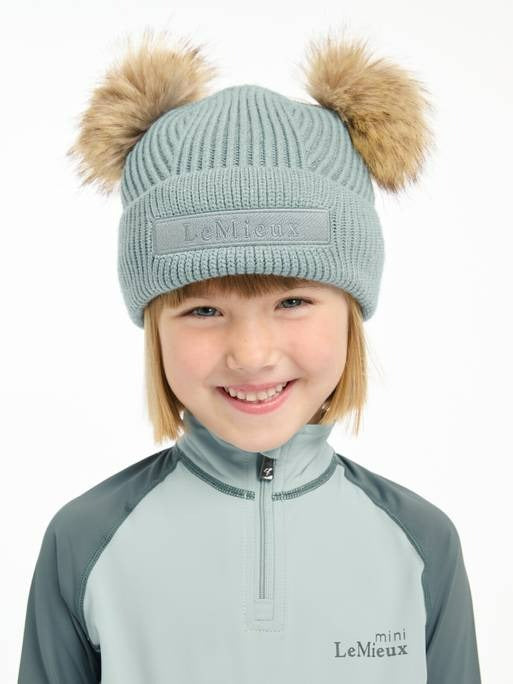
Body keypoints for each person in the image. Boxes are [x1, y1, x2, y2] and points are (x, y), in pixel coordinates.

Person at [17, 26, 482, 684]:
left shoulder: (422, 544)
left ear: (351, 312)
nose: (252, 354)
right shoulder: (84, 543)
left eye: (292, 301)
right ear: (154, 328)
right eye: (203, 310)